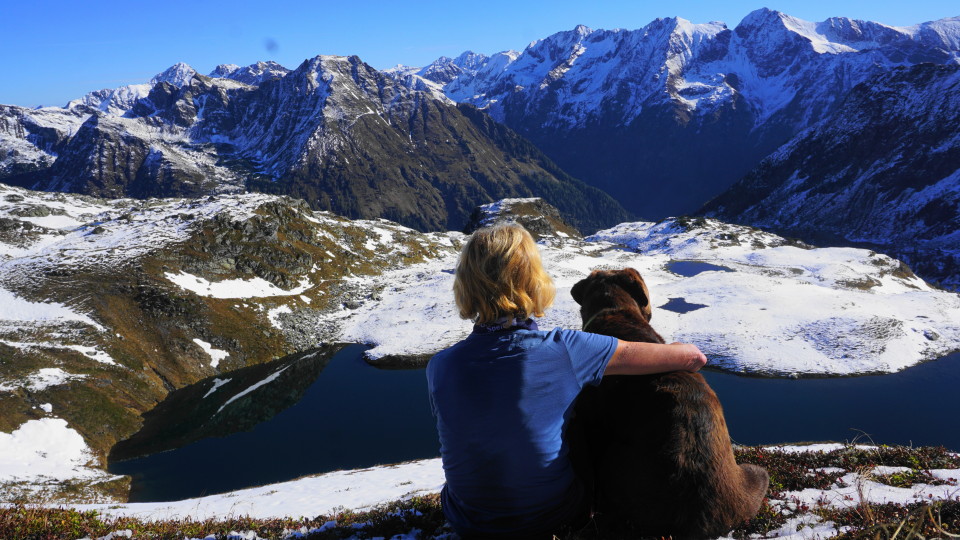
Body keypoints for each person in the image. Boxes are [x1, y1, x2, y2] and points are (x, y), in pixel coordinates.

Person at [426, 223, 707, 539]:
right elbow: (691, 358)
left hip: (466, 523)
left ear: (465, 284)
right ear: (533, 282)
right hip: (551, 517)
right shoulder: (565, 349)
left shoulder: (440, 365)